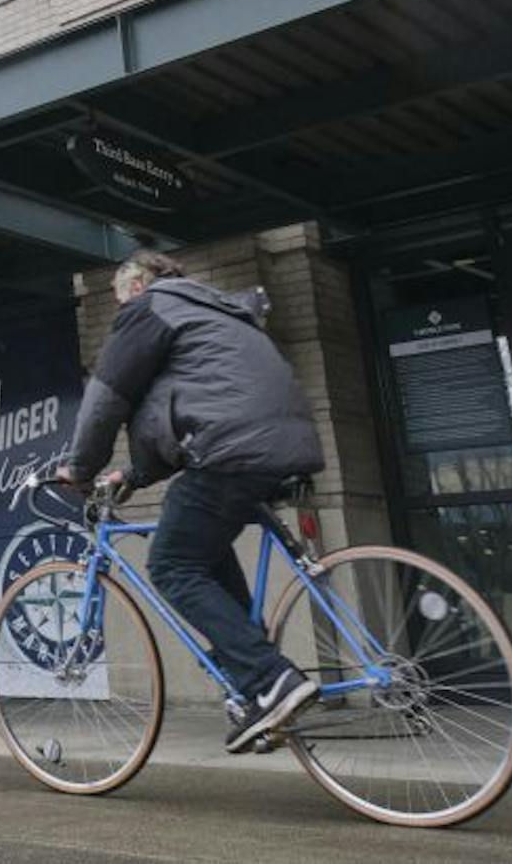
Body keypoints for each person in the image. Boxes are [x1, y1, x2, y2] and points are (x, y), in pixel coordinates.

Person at [59, 249, 327, 752]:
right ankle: (257, 692)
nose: (120, 314)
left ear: (135, 288)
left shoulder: (149, 308)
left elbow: (107, 396)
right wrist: (134, 474)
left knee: (172, 564)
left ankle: (271, 680)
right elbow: (187, 407)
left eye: (119, 302)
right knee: (204, 549)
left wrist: (79, 467)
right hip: (281, 445)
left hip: (235, 452)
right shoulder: (219, 311)